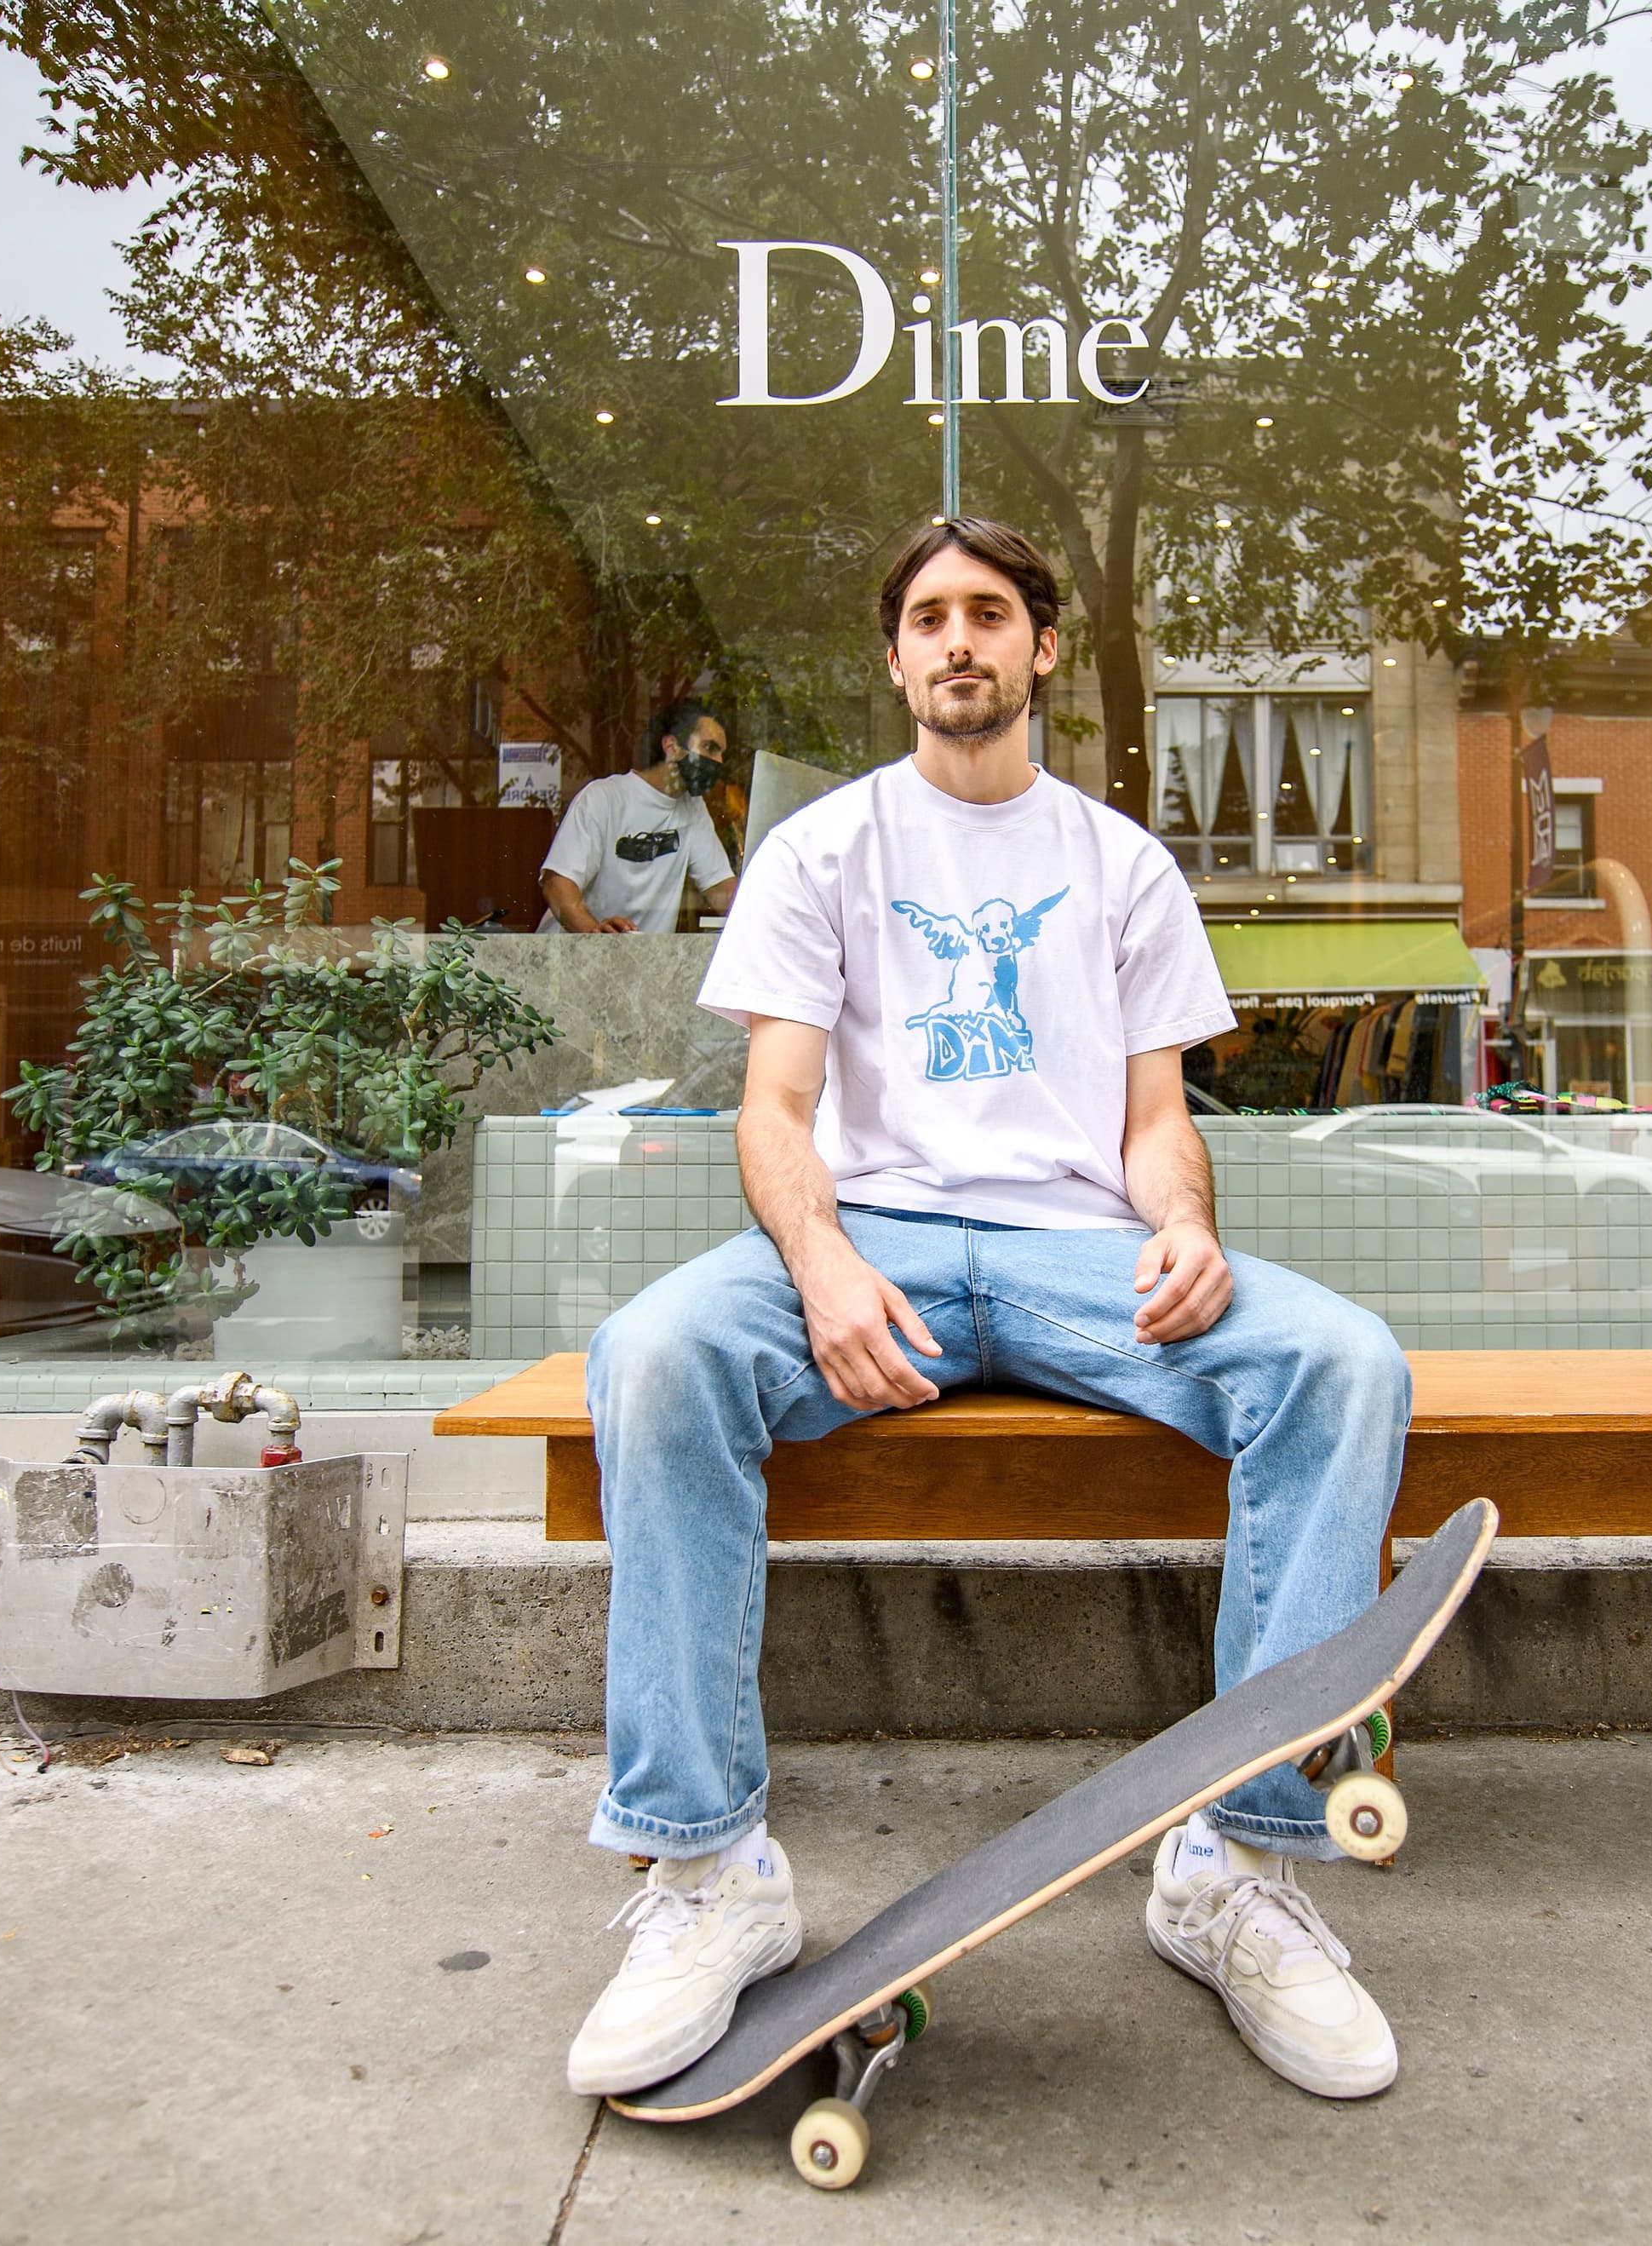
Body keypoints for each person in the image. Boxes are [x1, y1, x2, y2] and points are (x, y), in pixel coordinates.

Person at [565, 518, 1414, 2104]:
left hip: (1077, 1256)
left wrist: (1182, 1223)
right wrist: (820, 1264)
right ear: (897, 659)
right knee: (661, 1348)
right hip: (871, 1240)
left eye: (992, 615)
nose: (961, 639)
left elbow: (1159, 1117)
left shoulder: (1120, 862)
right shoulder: (826, 850)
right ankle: (705, 1868)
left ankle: (1235, 1860)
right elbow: (775, 1106)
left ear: (1036, 653)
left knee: (1343, 1361)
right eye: (930, 618)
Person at [538, 699, 739, 933]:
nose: (718, 762)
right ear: (671, 747)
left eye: (721, 753)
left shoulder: (693, 809)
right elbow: (557, 884)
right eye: (710, 748)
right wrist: (593, 933)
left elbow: (722, 891)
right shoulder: (604, 798)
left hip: (641, 962)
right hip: (571, 959)